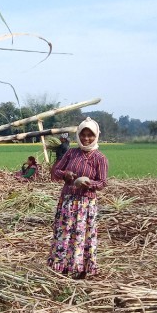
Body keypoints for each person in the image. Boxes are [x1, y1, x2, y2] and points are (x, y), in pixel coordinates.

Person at [48, 117, 108, 279]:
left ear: (96, 136)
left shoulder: (99, 158)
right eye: (83, 134)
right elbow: (56, 171)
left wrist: (87, 184)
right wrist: (66, 175)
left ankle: (81, 269)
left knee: (82, 235)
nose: (86, 138)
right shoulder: (71, 153)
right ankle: (63, 267)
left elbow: (102, 182)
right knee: (65, 232)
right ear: (78, 135)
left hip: (86, 204)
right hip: (68, 201)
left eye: (90, 135)